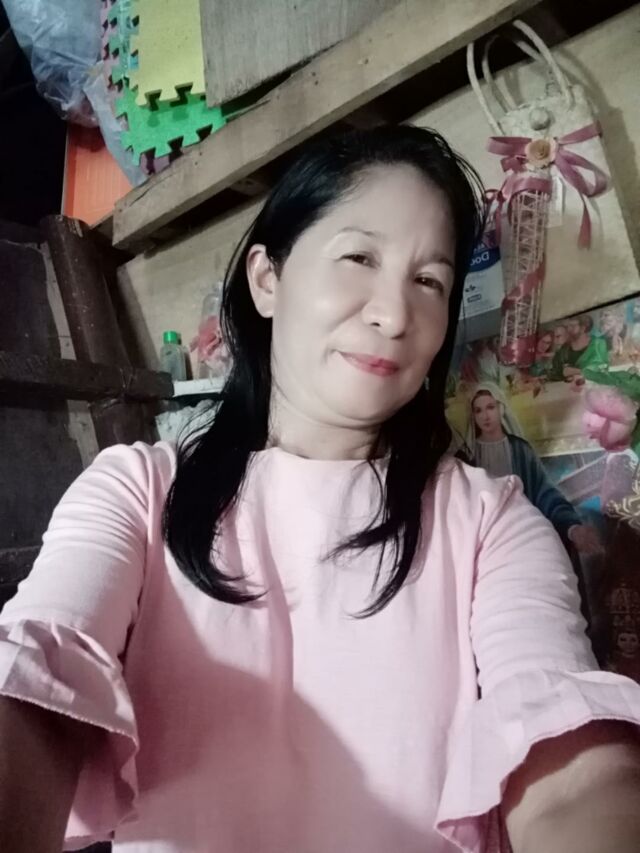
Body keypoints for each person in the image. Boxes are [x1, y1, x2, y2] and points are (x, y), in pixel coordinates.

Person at [1, 126, 639, 853]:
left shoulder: (492, 521)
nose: (394, 315)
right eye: (360, 257)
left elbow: (565, 763)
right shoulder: (139, 491)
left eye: (429, 282)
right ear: (267, 279)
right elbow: (39, 678)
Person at [465, 383, 601, 554]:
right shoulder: (467, 456)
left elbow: (544, 493)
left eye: (490, 407)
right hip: (486, 543)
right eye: (478, 410)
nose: (485, 416)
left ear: (501, 408)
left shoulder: (520, 450)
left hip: (524, 533)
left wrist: (572, 528)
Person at [549, 313, 609, 381]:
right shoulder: (563, 350)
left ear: (583, 328)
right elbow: (555, 372)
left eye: (572, 326)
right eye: (568, 326)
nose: (569, 329)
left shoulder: (598, 344)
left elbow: (601, 368)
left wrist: (576, 371)